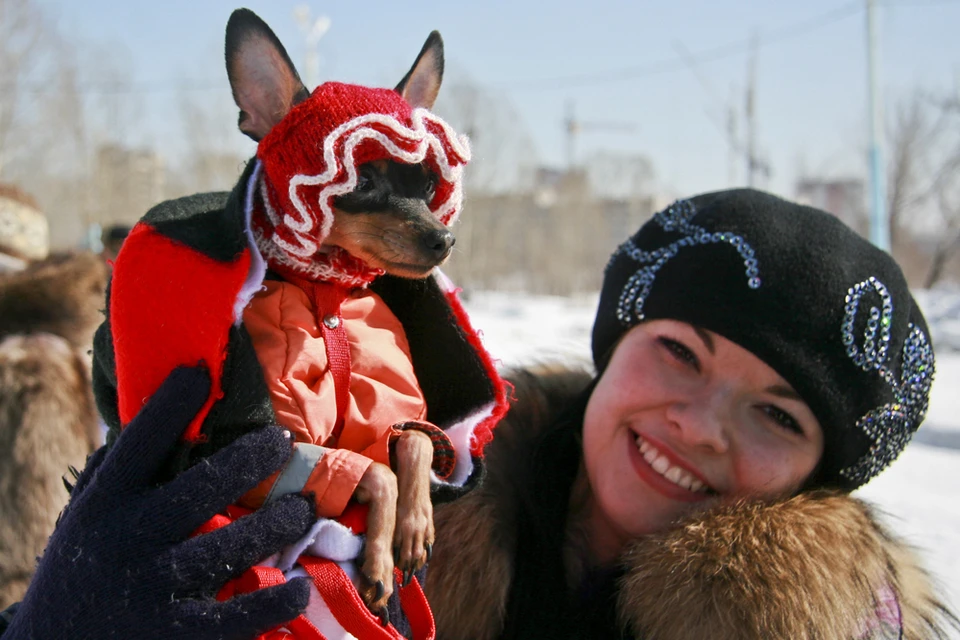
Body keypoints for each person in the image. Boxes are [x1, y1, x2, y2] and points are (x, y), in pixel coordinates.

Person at [424, 189, 957, 639]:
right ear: (613, 346)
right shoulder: (388, 505)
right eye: (681, 354)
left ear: (817, 477)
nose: (700, 427)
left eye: (777, 414)